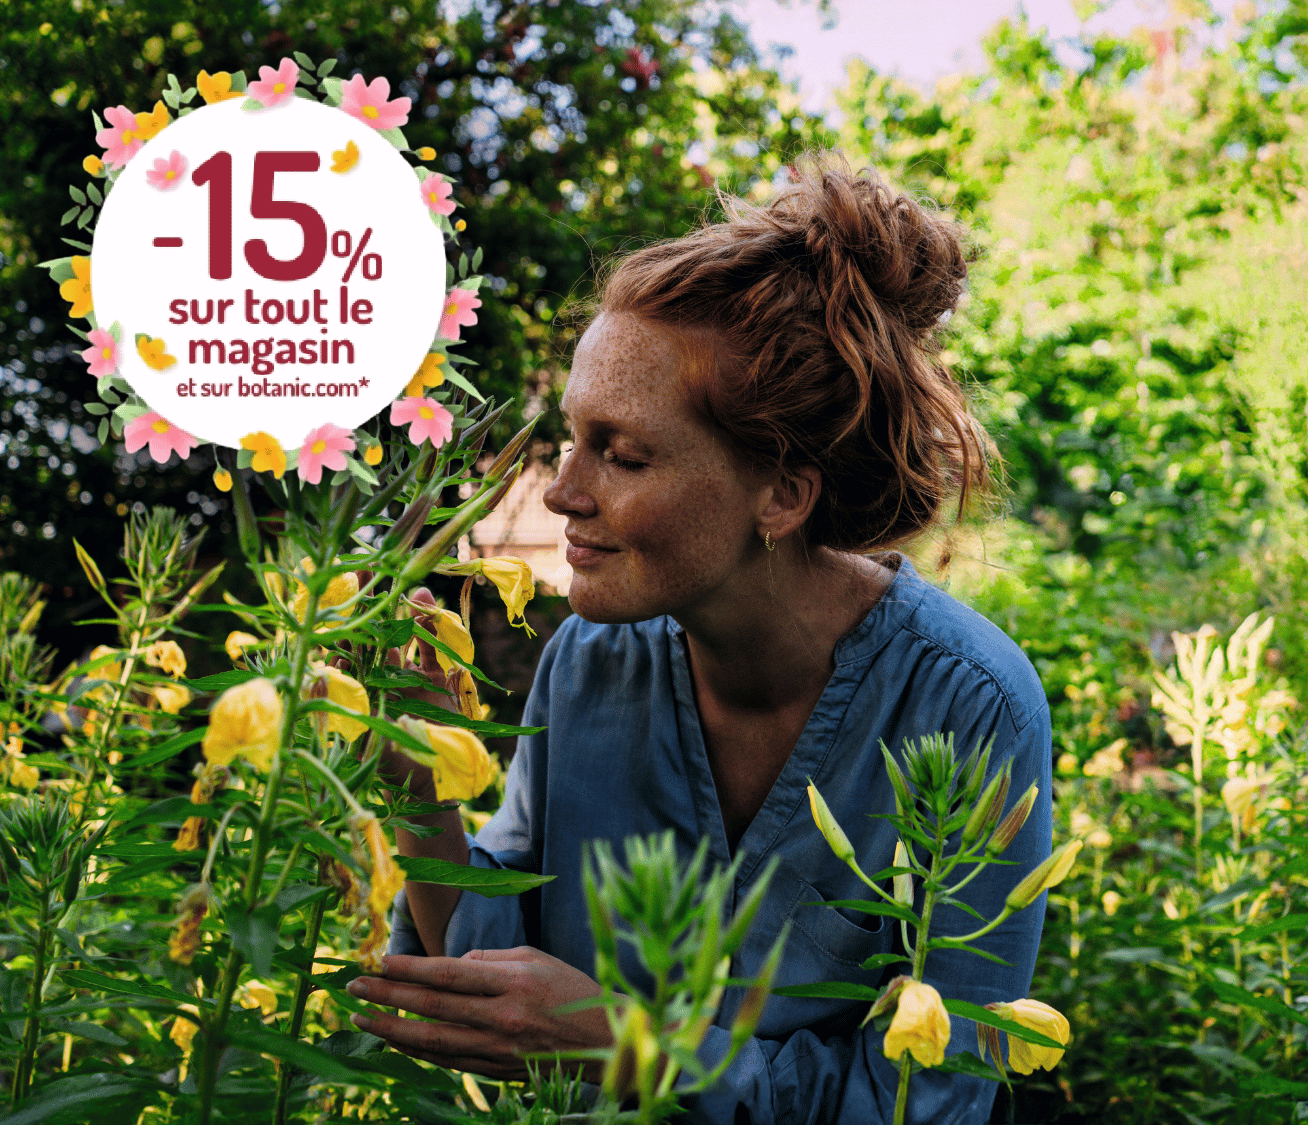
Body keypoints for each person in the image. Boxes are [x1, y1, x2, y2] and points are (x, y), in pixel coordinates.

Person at [347, 151, 1054, 1123]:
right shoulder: (587, 660)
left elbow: (930, 1101)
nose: (561, 492)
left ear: (783, 495)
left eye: (623, 454)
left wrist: (627, 1043)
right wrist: (415, 778)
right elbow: (492, 977)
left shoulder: (970, 704)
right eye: (571, 437)